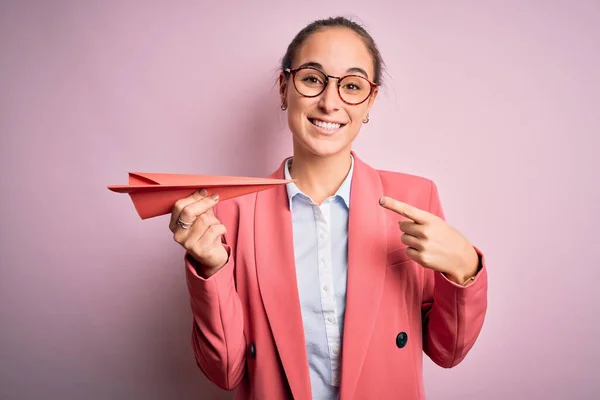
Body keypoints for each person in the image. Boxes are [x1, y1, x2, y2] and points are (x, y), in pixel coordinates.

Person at [169, 16, 488, 400]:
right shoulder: (232, 213)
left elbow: (447, 351)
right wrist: (210, 270)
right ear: (284, 88)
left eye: (352, 86)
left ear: (369, 101)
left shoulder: (416, 198)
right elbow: (225, 371)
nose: (330, 102)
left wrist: (465, 269)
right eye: (311, 79)